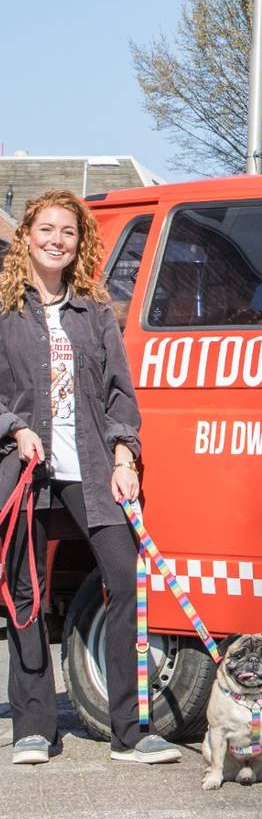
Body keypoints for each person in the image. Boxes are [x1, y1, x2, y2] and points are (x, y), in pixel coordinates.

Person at [0, 190, 182, 766]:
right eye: (47, 229)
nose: (56, 240)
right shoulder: (5, 309)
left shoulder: (95, 312)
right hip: (22, 467)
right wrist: (13, 429)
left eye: (68, 232)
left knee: (126, 580)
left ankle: (130, 730)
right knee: (26, 595)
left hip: (89, 467)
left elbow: (119, 395)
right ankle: (33, 727)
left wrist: (126, 456)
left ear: (81, 243)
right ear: (27, 236)